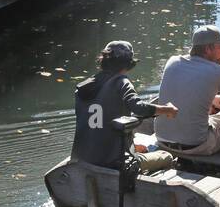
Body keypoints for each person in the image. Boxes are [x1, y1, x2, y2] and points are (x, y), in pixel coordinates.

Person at [71, 40, 179, 169]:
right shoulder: (121, 82)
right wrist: (167, 110)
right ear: (129, 64)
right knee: (166, 156)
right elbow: (138, 108)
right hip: (114, 161)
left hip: (83, 157)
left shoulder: (83, 87)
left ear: (103, 61)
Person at [154, 25, 220, 156]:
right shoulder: (217, 71)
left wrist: (213, 100)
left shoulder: (172, 61)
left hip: (161, 140)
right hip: (198, 145)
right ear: (208, 49)